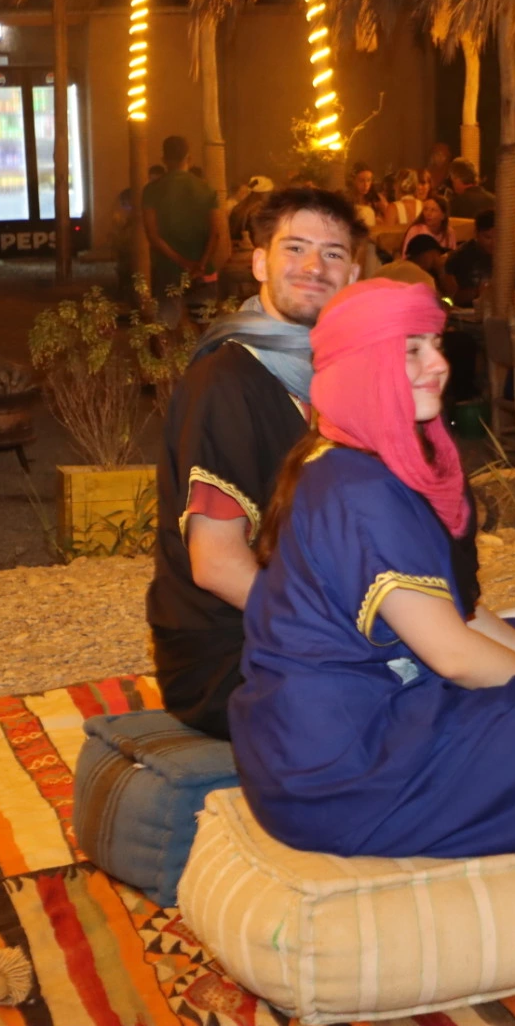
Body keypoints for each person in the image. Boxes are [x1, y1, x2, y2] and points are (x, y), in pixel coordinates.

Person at [230, 278, 515, 857]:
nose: (437, 364)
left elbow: (460, 614)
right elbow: (451, 652)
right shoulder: (357, 486)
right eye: (410, 351)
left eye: (435, 346)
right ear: (362, 367)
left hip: (312, 746)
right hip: (339, 772)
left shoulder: (344, 455)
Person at [148, 188, 365, 740]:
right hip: (233, 652)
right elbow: (216, 565)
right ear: (259, 262)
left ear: (354, 273)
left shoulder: (340, 375)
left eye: (333, 253)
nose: (314, 266)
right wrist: (348, 633)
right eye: (294, 248)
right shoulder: (228, 380)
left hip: (315, 615)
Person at [142, 135, 221, 299]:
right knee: (205, 321)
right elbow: (216, 233)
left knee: (168, 323)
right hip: (203, 272)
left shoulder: (151, 190)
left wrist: (183, 263)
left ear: (164, 159)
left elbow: (153, 236)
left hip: (167, 272)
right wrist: (201, 265)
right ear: (189, 158)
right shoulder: (206, 189)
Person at [445, 208, 496, 307]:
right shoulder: (460, 256)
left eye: (498, 237)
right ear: (476, 233)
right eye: (488, 237)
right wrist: (478, 291)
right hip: (468, 314)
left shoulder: (506, 254)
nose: (494, 243)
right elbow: (451, 298)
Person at [228, 175, 275, 247]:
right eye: (268, 193)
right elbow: (258, 237)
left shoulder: (239, 207)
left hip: (235, 250)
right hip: (250, 251)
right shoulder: (257, 209)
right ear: (262, 194)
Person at [346, 162, 381, 229]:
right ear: (353, 181)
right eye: (361, 181)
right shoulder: (347, 199)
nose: (366, 185)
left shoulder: (376, 199)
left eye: (368, 180)